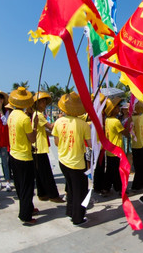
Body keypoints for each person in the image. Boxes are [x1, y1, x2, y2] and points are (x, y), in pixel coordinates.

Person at [52, 92, 91, 225]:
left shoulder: (58, 122)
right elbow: (90, 144)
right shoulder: (83, 124)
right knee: (80, 191)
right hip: (77, 163)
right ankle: (78, 218)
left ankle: (70, 212)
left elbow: (56, 142)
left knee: (70, 189)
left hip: (63, 161)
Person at [8, 87, 38, 225]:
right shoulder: (25, 119)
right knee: (27, 187)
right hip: (24, 156)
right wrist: (35, 126)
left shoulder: (12, 115)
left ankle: (28, 207)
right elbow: (32, 138)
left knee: (20, 185)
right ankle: (25, 215)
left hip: (13, 154)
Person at [31, 91, 64, 203]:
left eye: (45, 101)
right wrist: (59, 119)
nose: (44, 103)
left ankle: (42, 193)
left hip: (37, 146)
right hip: (39, 147)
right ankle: (53, 195)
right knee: (46, 173)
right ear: (37, 103)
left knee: (39, 174)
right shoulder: (39, 115)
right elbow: (50, 127)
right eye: (42, 101)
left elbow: (45, 131)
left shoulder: (36, 114)